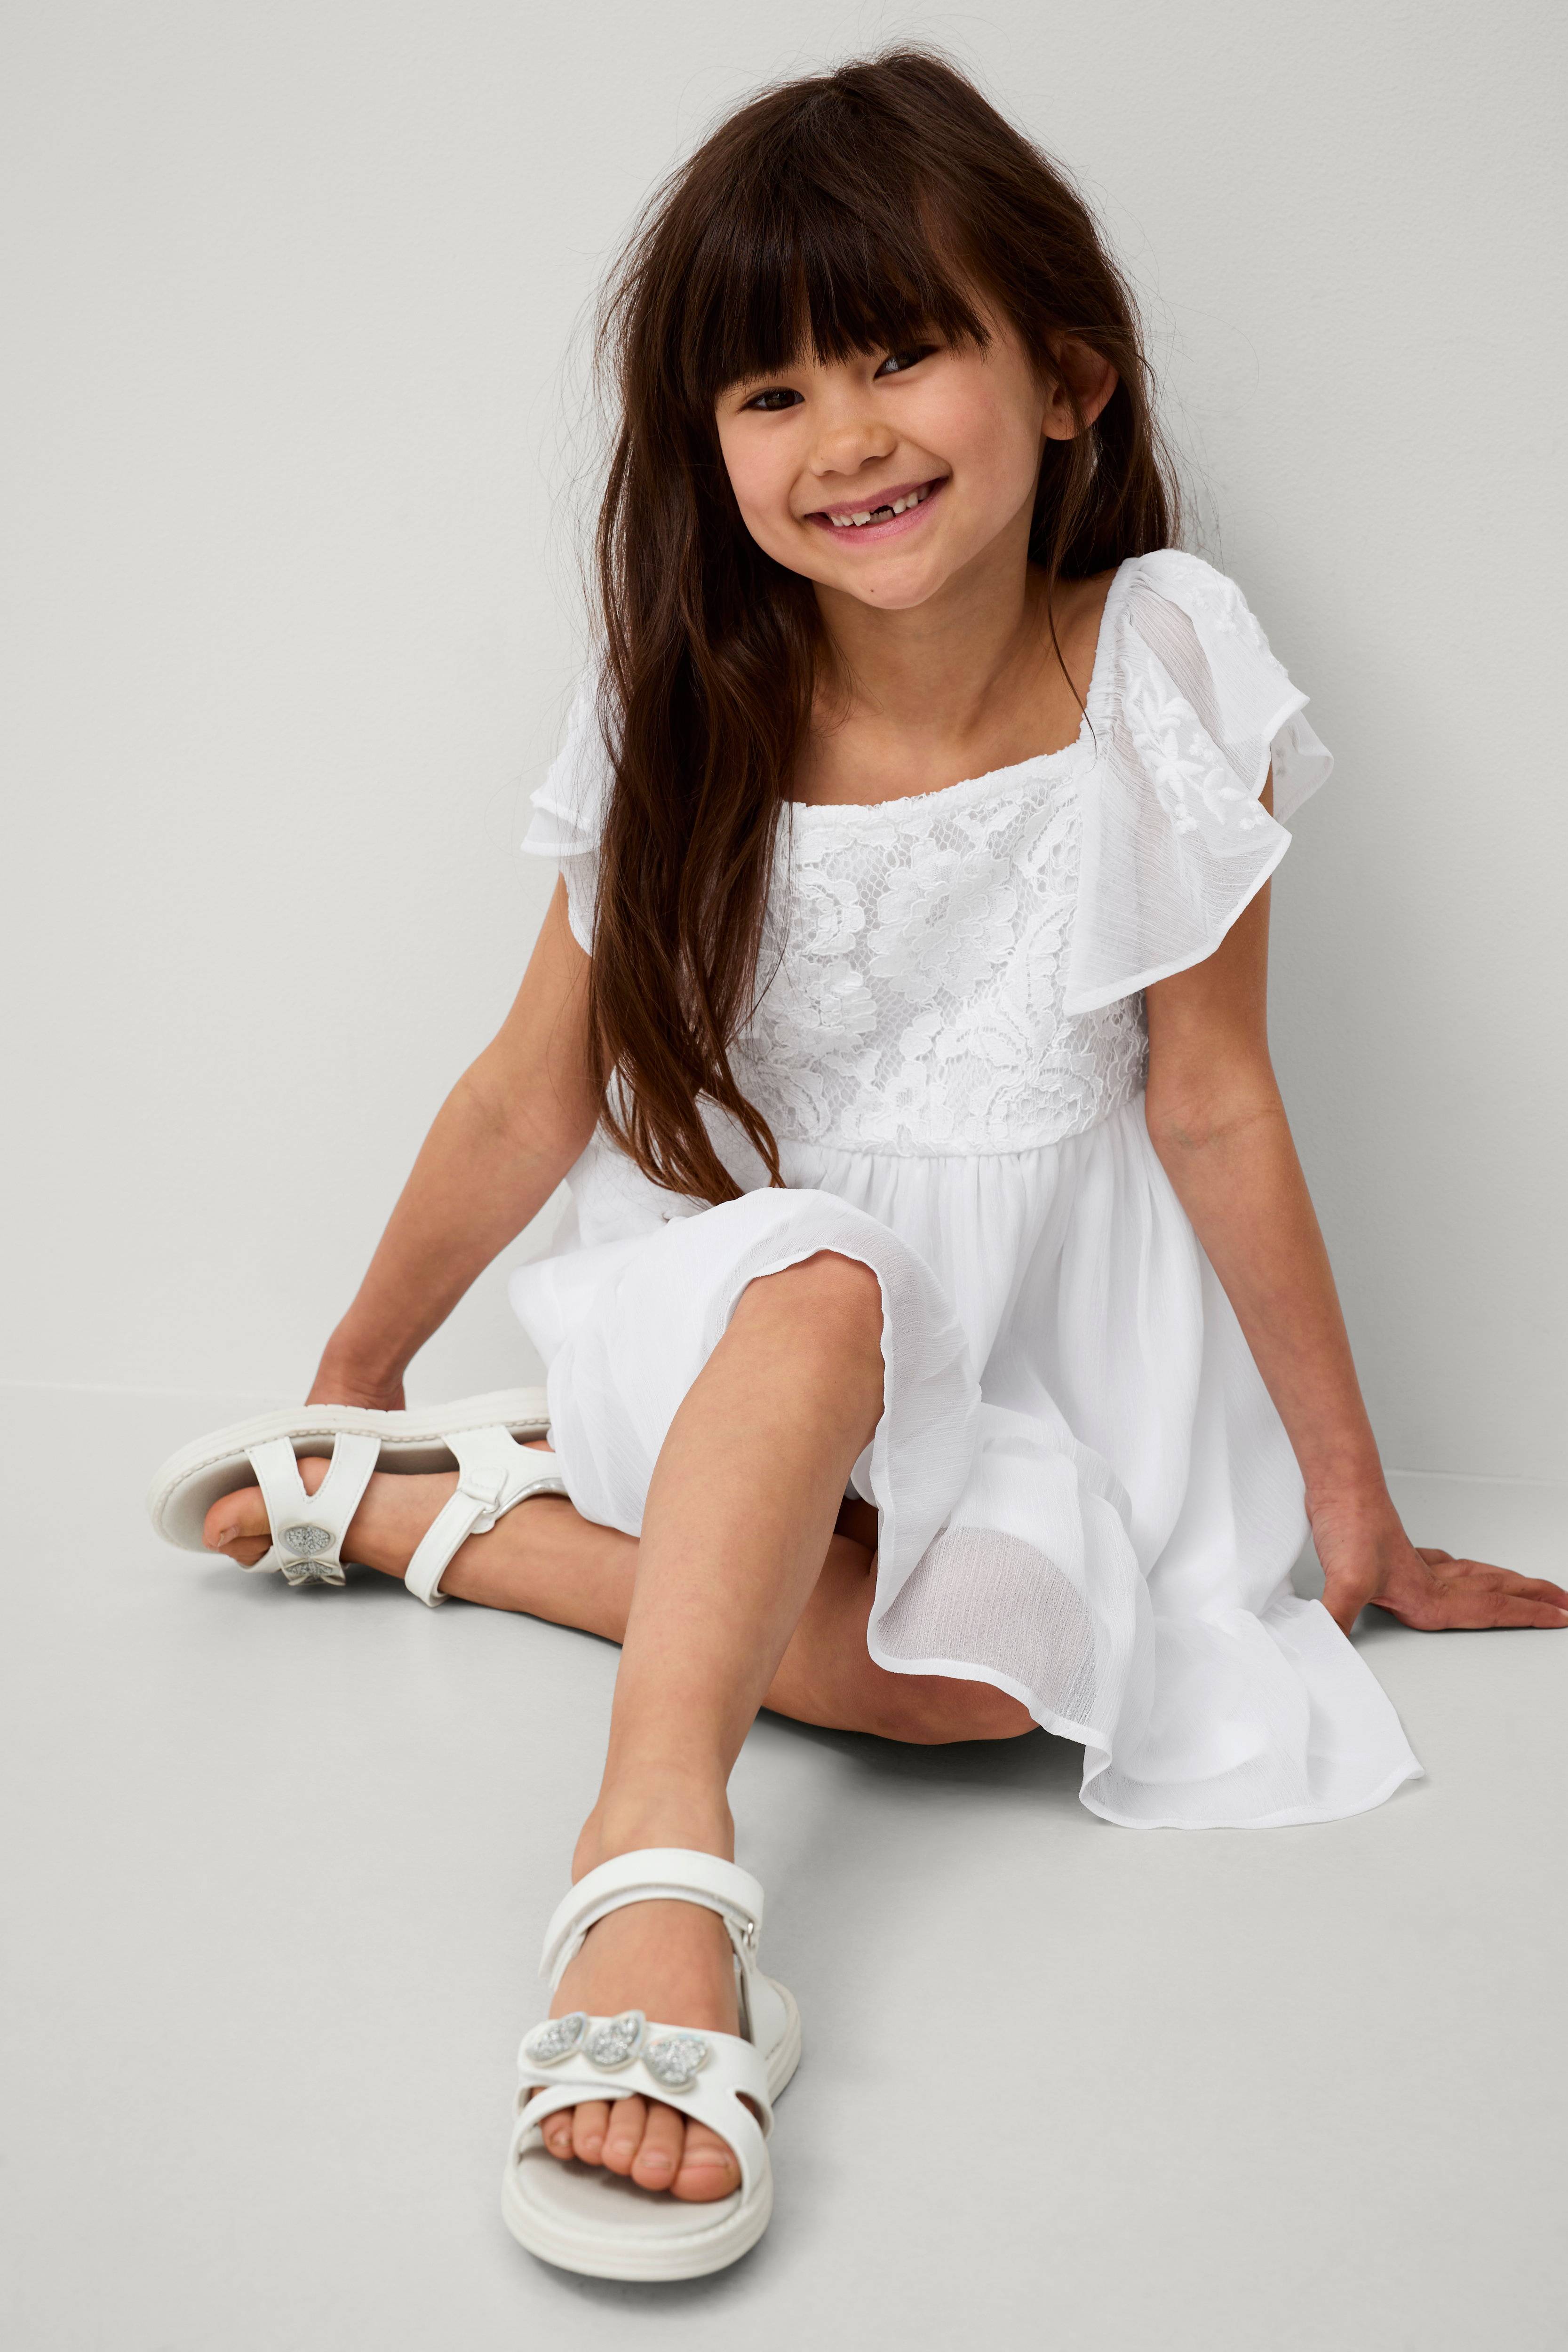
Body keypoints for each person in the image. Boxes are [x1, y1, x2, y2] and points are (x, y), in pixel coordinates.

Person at [148, 48, 1568, 2282]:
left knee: (992, 1685)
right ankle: (651, 1859)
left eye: (903, 354)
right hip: (747, 1321)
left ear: (1068, 377)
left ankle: (457, 1521)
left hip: (1035, 1354)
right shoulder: (688, 703)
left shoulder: (1161, 660)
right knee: (826, 1282)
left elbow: (1213, 1097)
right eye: (773, 391)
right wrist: (350, 1365)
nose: (846, 439)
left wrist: (1353, 1503)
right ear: (707, 449)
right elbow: (530, 1092)